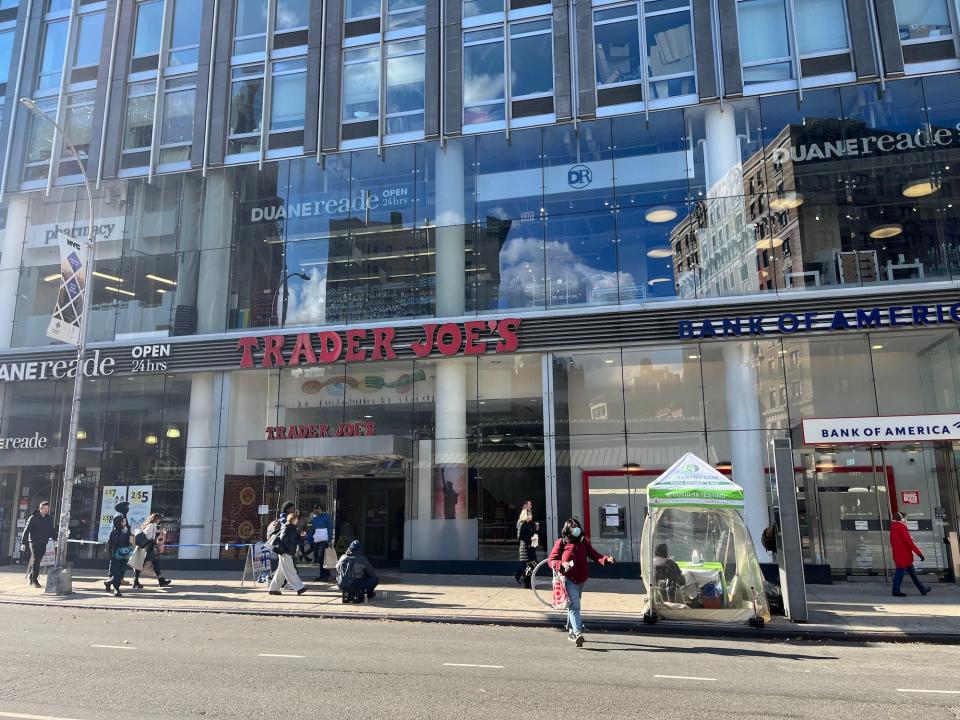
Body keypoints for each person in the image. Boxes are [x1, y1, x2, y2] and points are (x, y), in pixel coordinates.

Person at [548, 518, 615, 648]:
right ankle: (578, 633)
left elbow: (594, 555)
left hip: (581, 580)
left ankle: (572, 630)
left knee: (572, 604)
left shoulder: (583, 541)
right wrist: (562, 564)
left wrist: (606, 560)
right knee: (575, 605)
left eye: (577, 527)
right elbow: (551, 560)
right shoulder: (561, 542)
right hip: (568, 579)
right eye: (573, 527)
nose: (576, 529)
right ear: (568, 530)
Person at [890, 512, 931, 597]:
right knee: (899, 574)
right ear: (901, 519)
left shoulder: (894, 528)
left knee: (912, 574)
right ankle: (895, 591)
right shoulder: (901, 528)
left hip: (899, 555)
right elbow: (909, 543)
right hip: (904, 556)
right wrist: (919, 554)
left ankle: (922, 589)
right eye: (905, 518)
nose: (906, 520)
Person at [129, 512, 172, 589]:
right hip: (148, 548)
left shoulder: (149, 525)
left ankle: (160, 580)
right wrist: (157, 536)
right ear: (156, 519)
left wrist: (158, 533)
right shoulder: (152, 525)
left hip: (146, 548)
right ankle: (136, 582)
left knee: (150, 562)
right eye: (159, 519)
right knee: (145, 563)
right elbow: (149, 537)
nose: (159, 521)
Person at [269, 512, 307, 596]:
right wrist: (290, 547)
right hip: (285, 552)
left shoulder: (293, 528)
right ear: (292, 519)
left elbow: (296, 540)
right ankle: (299, 588)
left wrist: (302, 536)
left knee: (281, 572)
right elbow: (283, 539)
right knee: (291, 570)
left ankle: (273, 589)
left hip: (287, 552)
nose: (297, 520)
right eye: (296, 519)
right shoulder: (286, 527)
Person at [20, 501, 54, 588]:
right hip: (34, 541)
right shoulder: (33, 518)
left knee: (38, 560)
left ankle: (32, 577)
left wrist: (55, 538)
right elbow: (26, 530)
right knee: (36, 559)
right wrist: (23, 543)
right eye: (45, 509)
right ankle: (35, 580)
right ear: (40, 509)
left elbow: (51, 530)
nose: (47, 510)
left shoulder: (49, 518)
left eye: (47, 509)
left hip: (44, 541)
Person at [104, 516, 132, 597]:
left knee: (122, 572)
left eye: (125, 522)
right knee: (116, 573)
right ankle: (116, 589)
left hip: (124, 554)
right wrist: (124, 534)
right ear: (118, 523)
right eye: (123, 522)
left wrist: (127, 534)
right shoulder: (114, 532)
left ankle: (108, 582)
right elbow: (116, 542)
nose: (125, 523)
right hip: (116, 555)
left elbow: (128, 542)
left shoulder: (126, 531)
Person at [514, 502, 539, 588]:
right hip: (525, 548)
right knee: (526, 565)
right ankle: (520, 577)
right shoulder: (522, 524)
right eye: (530, 515)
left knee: (533, 563)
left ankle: (527, 580)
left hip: (530, 547)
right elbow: (519, 537)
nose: (531, 516)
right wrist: (530, 539)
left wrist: (535, 531)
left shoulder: (528, 524)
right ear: (526, 515)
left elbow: (531, 533)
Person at [310, 504, 334, 581]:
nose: (313, 511)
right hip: (317, 540)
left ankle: (326, 575)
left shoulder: (327, 517)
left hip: (324, 540)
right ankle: (323, 575)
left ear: (318, 509)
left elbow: (330, 528)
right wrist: (309, 539)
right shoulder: (314, 519)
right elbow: (312, 530)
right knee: (319, 558)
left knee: (321, 557)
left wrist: (329, 540)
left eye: (314, 509)